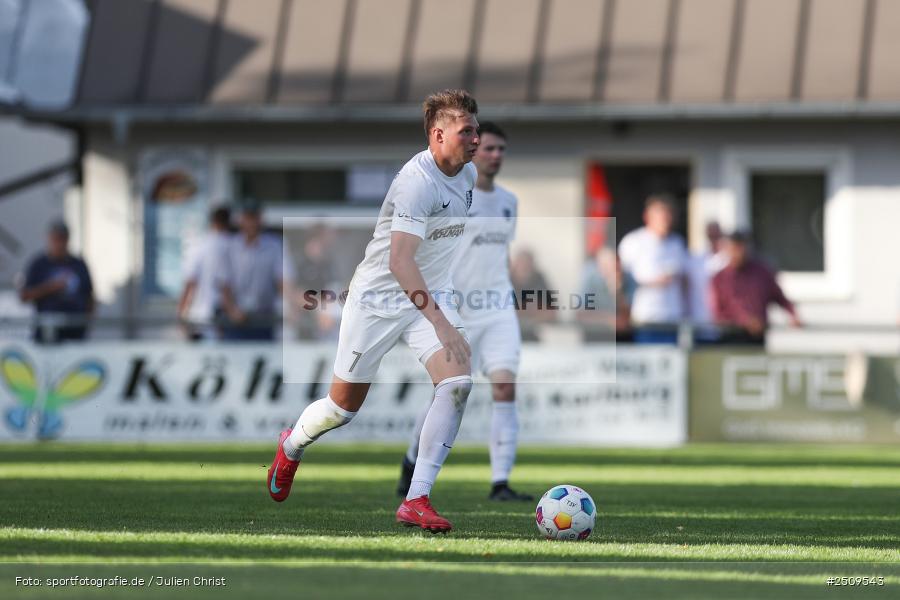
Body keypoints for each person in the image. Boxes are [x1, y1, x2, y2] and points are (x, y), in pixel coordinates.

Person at [266, 89, 480, 533]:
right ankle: (292, 446)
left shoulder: (468, 174)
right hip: (379, 300)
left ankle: (417, 498)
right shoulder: (416, 181)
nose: (476, 137)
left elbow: (436, 251)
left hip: (429, 296)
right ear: (438, 134)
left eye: (476, 129)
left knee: (458, 382)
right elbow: (399, 262)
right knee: (342, 409)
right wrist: (442, 323)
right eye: (467, 130)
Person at [397, 121, 531, 502]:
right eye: (488, 148)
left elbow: (499, 255)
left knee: (505, 387)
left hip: (498, 307)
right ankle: (412, 460)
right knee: (449, 391)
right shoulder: (456, 196)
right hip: (457, 306)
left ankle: (500, 483)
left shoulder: (509, 201)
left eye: (501, 150)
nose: (494, 155)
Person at [617, 195, 688, 344]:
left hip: (673, 320)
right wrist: (653, 282)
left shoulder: (677, 243)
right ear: (647, 217)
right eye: (660, 215)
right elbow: (621, 282)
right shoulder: (633, 242)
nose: (665, 219)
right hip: (645, 319)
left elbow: (684, 282)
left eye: (668, 215)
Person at [710, 231, 802, 344]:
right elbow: (718, 313)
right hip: (731, 338)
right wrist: (745, 321)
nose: (738, 253)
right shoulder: (719, 279)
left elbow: (779, 297)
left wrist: (793, 314)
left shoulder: (762, 273)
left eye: (741, 248)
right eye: (734, 249)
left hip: (757, 337)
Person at [219, 201, 287, 341]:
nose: (251, 223)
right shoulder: (230, 247)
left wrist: (290, 306)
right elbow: (224, 284)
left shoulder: (273, 246)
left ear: (260, 220)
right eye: (247, 218)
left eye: (254, 218)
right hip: (235, 322)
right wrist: (232, 311)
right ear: (241, 220)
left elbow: (282, 281)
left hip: (263, 320)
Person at [19, 220, 94, 343]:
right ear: (49, 238)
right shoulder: (38, 264)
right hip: (47, 334)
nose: (59, 243)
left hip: (75, 333)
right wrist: (51, 287)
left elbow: (90, 296)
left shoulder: (79, 264)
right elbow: (24, 295)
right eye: (56, 239)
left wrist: (87, 322)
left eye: (63, 239)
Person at [177, 206, 231, 341]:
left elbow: (190, 283)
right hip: (225, 316)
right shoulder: (234, 245)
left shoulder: (199, 245)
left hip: (199, 316)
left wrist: (181, 314)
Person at [686, 221, 726, 343]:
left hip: (724, 327)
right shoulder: (696, 259)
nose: (714, 239)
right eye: (711, 235)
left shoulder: (729, 260)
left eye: (717, 235)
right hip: (699, 325)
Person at [509, 249, 555, 341]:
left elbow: (551, 312)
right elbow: (503, 311)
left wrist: (521, 310)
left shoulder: (539, 278)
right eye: (521, 264)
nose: (524, 268)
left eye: (527, 265)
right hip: (507, 336)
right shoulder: (505, 279)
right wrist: (532, 309)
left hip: (531, 335)